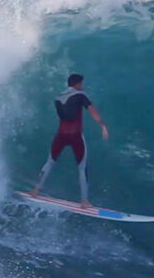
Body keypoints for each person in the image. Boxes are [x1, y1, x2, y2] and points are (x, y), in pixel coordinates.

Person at [30, 73, 109, 209]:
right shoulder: (80, 95)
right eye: (81, 83)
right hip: (76, 135)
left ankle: (35, 190)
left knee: (49, 162)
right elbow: (92, 111)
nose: (82, 86)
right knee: (82, 168)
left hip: (61, 135)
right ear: (77, 84)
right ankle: (84, 201)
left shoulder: (57, 98)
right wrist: (102, 125)